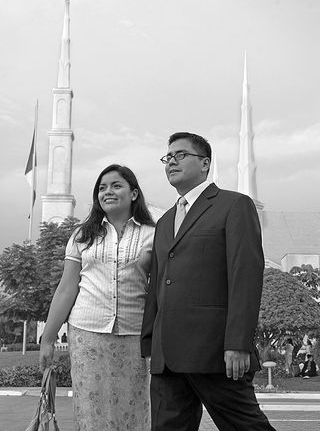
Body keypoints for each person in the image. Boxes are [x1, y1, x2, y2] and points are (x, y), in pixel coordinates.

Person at [141, 132, 276, 431]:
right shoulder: (164, 222)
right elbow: (159, 284)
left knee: (247, 427)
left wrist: (238, 343)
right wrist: (150, 341)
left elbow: (245, 276)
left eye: (180, 155)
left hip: (215, 353)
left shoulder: (233, 205)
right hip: (167, 357)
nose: (171, 161)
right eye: (168, 157)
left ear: (204, 163)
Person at [40, 164, 155, 431]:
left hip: (136, 335)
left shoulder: (154, 233)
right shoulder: (83, 234)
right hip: (88, 335)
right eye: (102, 188)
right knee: (91, 412)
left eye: (116, 186)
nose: (108, 192)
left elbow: (160, 286)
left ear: (134, 193)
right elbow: (67, 288)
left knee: (137, 410)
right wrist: (48, 338)